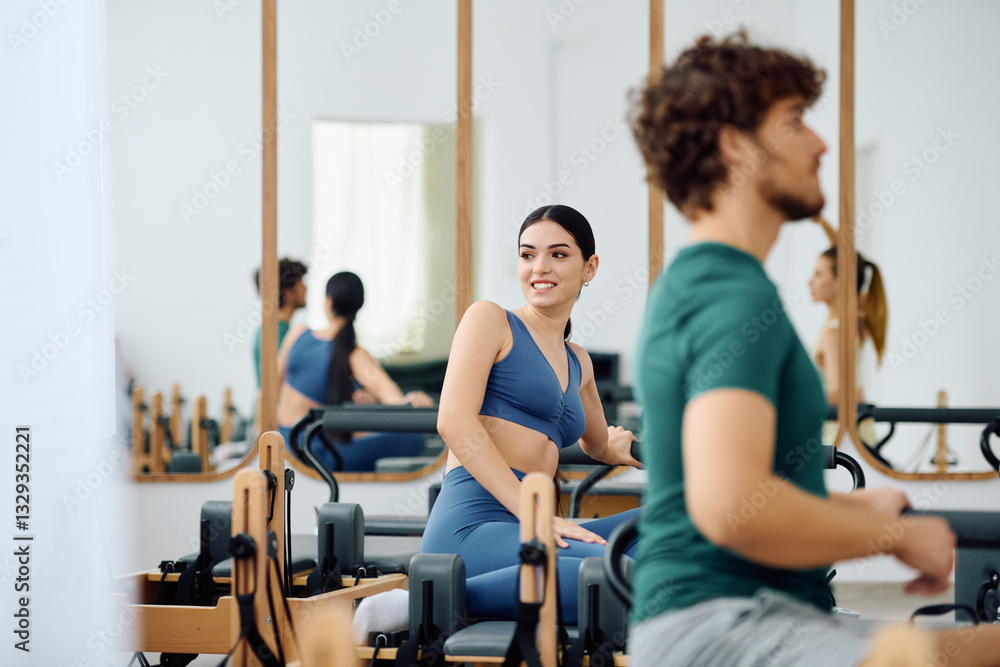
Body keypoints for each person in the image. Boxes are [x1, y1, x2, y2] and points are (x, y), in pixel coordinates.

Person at [627, 32, 996, 666]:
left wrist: (854, 506)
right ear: (737, 144)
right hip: (723, 624)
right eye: (795, 121)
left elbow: (721, 492)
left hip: (742, 615)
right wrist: (894, 534)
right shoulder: (731, 296)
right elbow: (730, 508)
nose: (821, 143)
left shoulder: (705, 283)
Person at [420, 204, 642, 623]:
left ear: (589, 268)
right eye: (527, 254)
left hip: (535, 522)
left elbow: (597, 444)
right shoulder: (490, 320)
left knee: (669, 530)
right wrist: (532, 511)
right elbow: (453, 421)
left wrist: (621, 445)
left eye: (558, 254)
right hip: (475, 524)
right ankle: (436, 598)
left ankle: (453, 596)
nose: (539, 267)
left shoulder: (579, 362)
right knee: (620, 578)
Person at [276, 271, 433, 472]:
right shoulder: (356, 355)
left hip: (285, 440)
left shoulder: (297, 333)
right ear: (358, 307)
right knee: (415, 439)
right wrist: (413, 399)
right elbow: (395, 401)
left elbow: (273, 387)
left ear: (328, 303)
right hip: (313, 451)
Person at [253, 258, 308, 387]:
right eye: (301, 282)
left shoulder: (273, 330)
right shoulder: (275, 334)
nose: (305, 288)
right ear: (287, 291)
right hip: (273, 407)